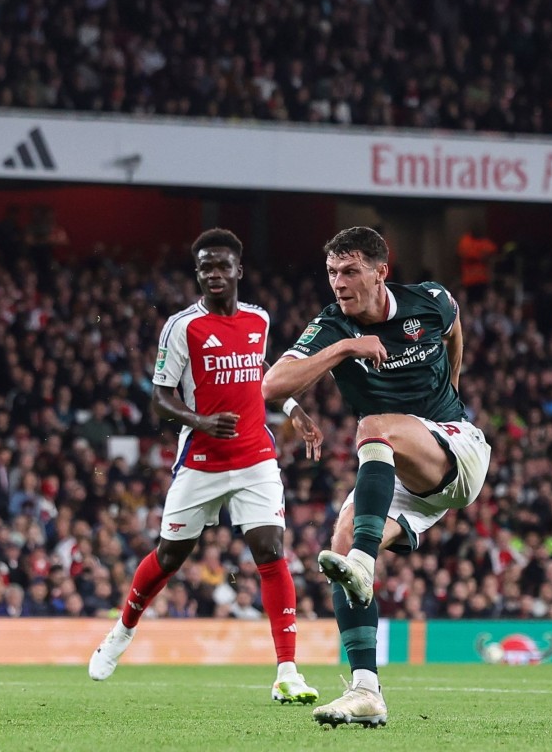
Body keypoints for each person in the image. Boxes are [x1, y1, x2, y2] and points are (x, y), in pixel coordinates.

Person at [262, 226, 491, 727]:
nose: (338, 283)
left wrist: (453, 381)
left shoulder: (429, 301)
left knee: (374, 425)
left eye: (350, 271)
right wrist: (345, 350)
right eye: (331, 273)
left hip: (455, 447)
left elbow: (454, 328)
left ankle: (366, 561)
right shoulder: (332, 328)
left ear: (380, 271)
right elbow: (271, 385)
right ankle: (366, 690)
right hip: (401, 474)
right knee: (341, 545)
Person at [89, 228, 323, 705]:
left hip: (256, 455)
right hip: (201, 460)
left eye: (222, 266)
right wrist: (199, 420)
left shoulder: (259, 319)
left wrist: (294, 407)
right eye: (205, 267)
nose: (214, 274)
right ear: (198, 274)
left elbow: (260, 379)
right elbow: (159, 397)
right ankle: (121, 632)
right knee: (170, 557)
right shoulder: (182, 327)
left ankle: (287, 671)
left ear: (238, 270)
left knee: (270, 550)